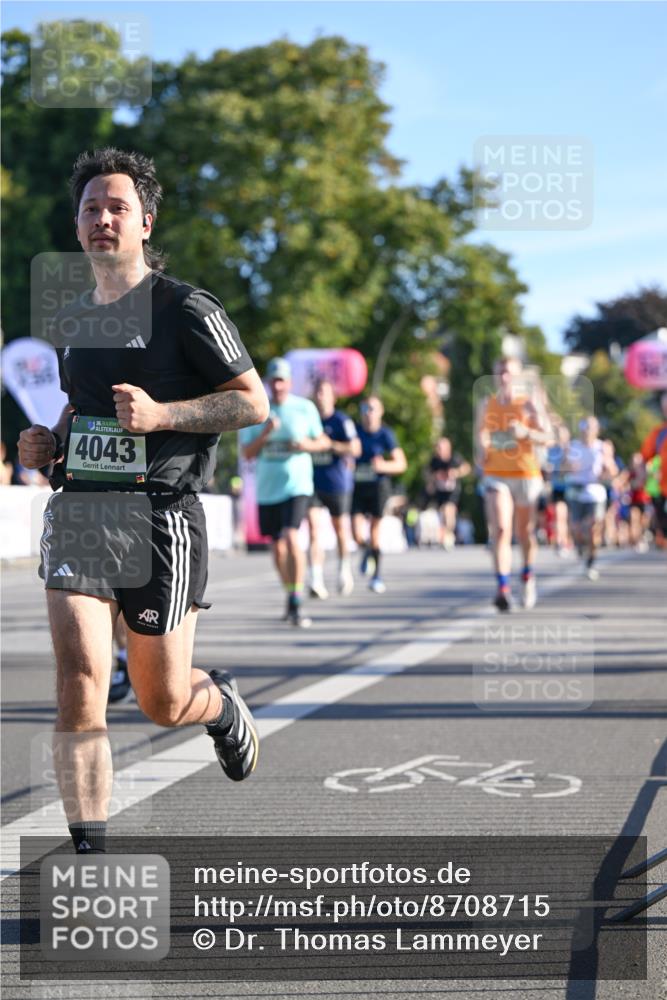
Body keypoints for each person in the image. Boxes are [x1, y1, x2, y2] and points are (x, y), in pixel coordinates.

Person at [17, 148, 268, 856]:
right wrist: (48, 446)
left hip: (160, 517)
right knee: (80, 677)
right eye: (91, 208)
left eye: (117, 207)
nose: (103, 218)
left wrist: (162, 417)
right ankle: (89, 851)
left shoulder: (187, 308)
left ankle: (217, 705)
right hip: (81, 515)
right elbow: (79, 410)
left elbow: (253, 402)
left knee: (161, 701)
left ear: (146, 222)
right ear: (77, 225)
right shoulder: (72, 319)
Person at [240, 357, 330, 627]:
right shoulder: (258, 410)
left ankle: (296, 598)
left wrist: (306, 445)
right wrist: (266, 433)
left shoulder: (304, 408)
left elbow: (323, 440)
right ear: (268, 383)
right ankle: (290, 592)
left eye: (282, 381)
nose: (278, 386)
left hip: (297, 486)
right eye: (274, 381)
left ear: (290, 383)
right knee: (277, 549)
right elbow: (247, 453)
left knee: (292, 537)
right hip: (268, 490)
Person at [476, 357, 550, 611]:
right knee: (501, 530)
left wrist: (526, 433)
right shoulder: (488, 403)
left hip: (526, 474)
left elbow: (548, 438)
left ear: (517, 376)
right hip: (496, 473)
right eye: (500, 372)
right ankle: (503, 588)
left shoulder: (529, 403)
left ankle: (528, 576)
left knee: (524, 533)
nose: (504, 377)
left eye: (508, 372)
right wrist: (482, 449)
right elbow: (480, 435)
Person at [307, 378, 360, 598]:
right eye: (318, 392)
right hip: (312, 482)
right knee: (313, 530)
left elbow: (355, 448)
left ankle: (344, 570)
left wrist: (332, 445)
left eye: (324, 392)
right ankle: (316, 579)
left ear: (333, 397)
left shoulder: (341, 421)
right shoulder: (309, 419)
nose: (320, 396)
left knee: (340, 529)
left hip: (337, 482)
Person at [351, 395, 407, 594]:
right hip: (357, 488)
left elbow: (401, 464)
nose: (368, 413)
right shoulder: (355, 432)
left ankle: (376, 576)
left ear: (380, 412)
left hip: (378, 488)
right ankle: (366, 550)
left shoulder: (386, 434)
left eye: (372, 409)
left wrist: (384, 465)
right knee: (357, 534)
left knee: (375, 534)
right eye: (365, 408)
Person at [564, 417, 618, 579]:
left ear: (597, 430)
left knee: (593, 528)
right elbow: (563, 468)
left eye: (591, 427)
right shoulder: (573, 446)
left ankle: (591, 562)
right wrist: (567, 465)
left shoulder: (602, 447)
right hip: (576, 490)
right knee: (576, 529)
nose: (587, 430)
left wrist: (607, 467)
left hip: (595, 492)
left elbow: (613, 472)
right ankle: (580, 546)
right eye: (585, 427)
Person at [425, 437, 470, 549]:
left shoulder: (455, 458)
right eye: (437, 448)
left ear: (448, 448)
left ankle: (449, 535)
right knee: (443, 513)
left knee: (449, 511)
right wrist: (433, 479)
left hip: (452, 490)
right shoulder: (435, 460)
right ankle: (446, 534)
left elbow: (467, 468)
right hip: (440, 490)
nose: (439, 450)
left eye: (441, 448)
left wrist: (456, 472)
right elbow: (428, 474)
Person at [639, 390, 667, 549]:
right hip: (662, 489)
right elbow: (644, 457)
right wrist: (644, 474)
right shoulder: (659, 433)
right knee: (663, 525)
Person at [544, 424, 572, 556]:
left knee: (568, 518)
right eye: (558, 434)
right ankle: (561, 542)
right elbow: (548, 470)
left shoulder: (572, 450)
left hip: (571, 487)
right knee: (559, 515)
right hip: (557, 487)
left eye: (562, 434)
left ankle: (567, 540)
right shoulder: (552, 450)